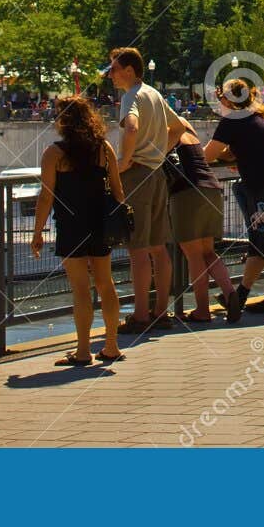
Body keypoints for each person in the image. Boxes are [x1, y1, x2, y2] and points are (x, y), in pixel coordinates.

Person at [31, 95, 125, 366]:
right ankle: (111, 346)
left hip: (71, 225)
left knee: (80, 288)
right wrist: (121, 222)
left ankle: (83, 351)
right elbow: (118, 190)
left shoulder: (54, 154)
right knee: (106, 283)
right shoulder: (104, 148)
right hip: (100, 222)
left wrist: (37, 232)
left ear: (64, 121)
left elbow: (46, 197)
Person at [107, 47, 188, 332]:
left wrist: (124, 161)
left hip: (137, 175)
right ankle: (160, 312)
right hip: (156, 174)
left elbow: (131, 128)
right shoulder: (153, 94)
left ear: (129, 70)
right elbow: (180, 127)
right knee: (158, 247)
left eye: (114, 69)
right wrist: (159, 153)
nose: (110, 75)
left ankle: (141, 316)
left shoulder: (131, 96)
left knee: (138, 248)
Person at [203, 79, 264, 322]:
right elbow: (234, 150)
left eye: (220, 97)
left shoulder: (232, 120)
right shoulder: (252, 117)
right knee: (263, 241)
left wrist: (187, 157)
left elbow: (208, 155)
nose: (218, 102)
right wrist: (234, 156)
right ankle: (249, 296)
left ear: (229, 100)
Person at [165, 131, 239, 322]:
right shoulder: (188, 133)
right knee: (208, 252)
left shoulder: (166, 133)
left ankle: (202, 310)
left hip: (187, 193)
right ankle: (230, 293)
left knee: (193, 255)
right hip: (212, 189)